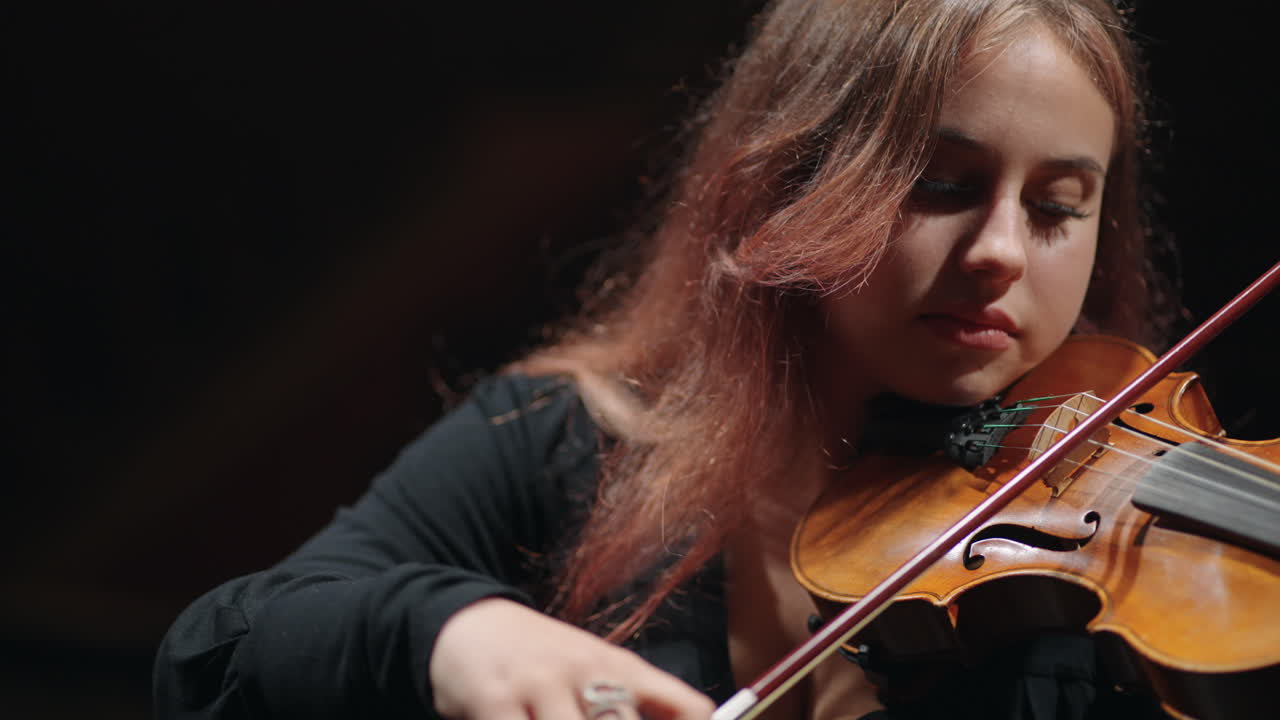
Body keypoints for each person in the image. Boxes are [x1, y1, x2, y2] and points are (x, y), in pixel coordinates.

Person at [153, 1, 1181, 718]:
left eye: (1056, 208)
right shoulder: (569, 441)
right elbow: (216, 655)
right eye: (942, 185)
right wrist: (454, 634)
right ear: (794, 179)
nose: (1000, 250)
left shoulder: (1116, 587)